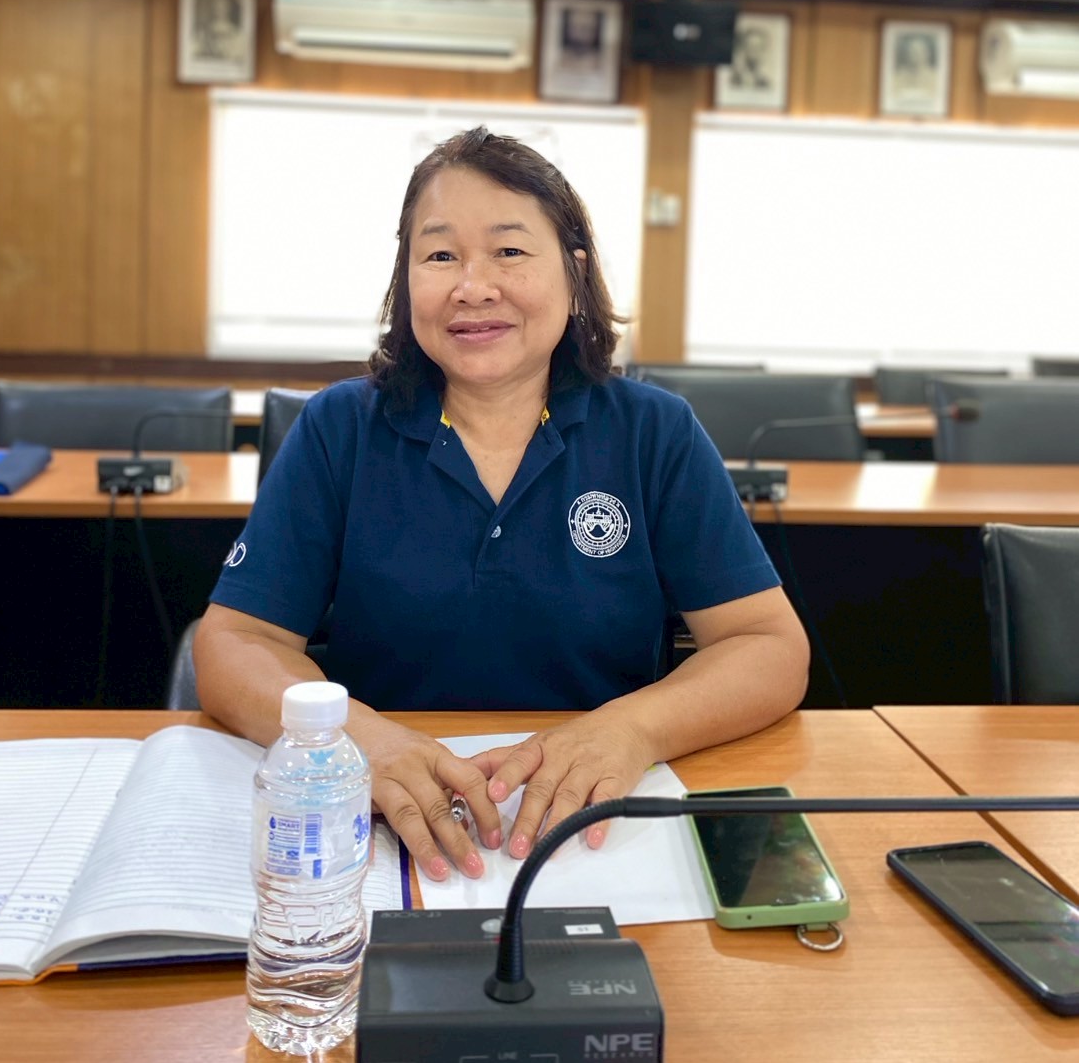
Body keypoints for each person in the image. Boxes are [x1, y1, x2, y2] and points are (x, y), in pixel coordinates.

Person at [195, 127, 809, 885]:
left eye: (510, 251)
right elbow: (233, 643)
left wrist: (632, 729)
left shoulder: (654, 432)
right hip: (382, 833)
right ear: (406, 282)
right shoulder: (340, 429)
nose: (473, 286)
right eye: (439, 256)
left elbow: (768, 645)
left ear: (575, 273)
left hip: (599, 827)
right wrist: (363, 744)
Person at [729, 23, 772, 90]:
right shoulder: (734, 79)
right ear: (744, 48)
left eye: (757, 47)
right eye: (750, 46)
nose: (754, 51)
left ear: (763, 50)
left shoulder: (765, 82)